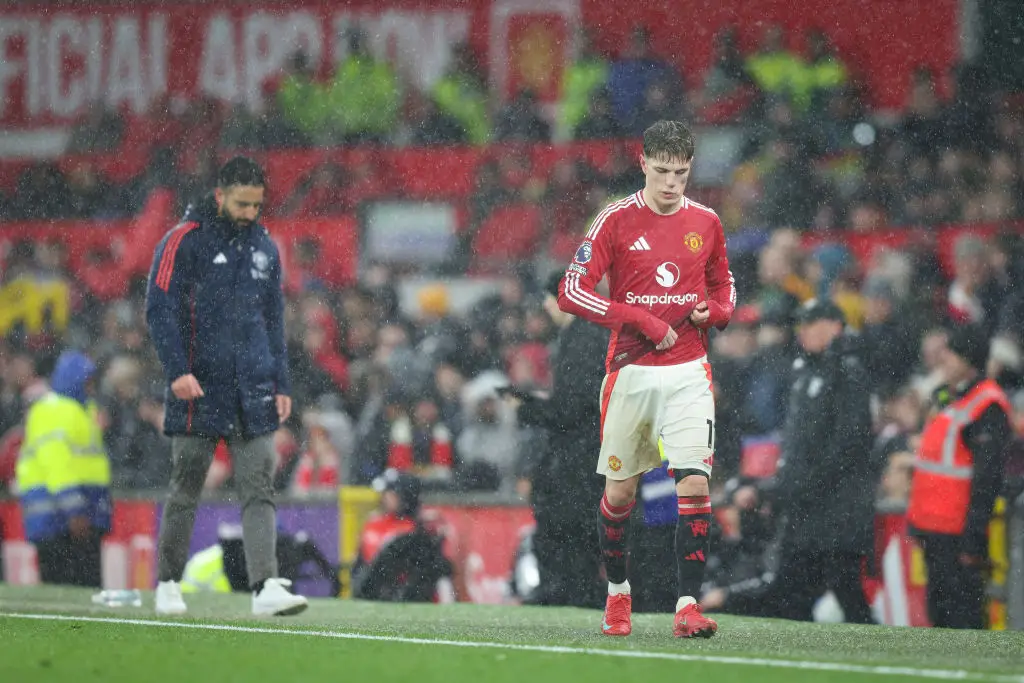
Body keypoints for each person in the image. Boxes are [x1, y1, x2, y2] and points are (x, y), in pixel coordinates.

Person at [557, 120, 736, 638]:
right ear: (643, 164)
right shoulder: (614, 219)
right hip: (631, 373)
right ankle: (618, 593)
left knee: (695, 483)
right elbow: (571, 291)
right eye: (662, 171)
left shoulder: (706, 221)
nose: (671, 183)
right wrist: (639, 319)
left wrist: (716, 312)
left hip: (688, 371)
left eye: (681, 172)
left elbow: (725, 284)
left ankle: (688, 607)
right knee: (620, 496)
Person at [145, 156, 307, 617]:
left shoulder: (265, 247)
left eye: (257, 205)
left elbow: (273, 319)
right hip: (199, 387)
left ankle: (265, 587)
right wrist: (177, 370)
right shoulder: (183, 240)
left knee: (259, 486)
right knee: (187, 486)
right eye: (241, 204)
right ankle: (168, 583)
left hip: (252, 388)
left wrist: (280, 381)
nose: (250, 213)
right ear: (220, 196)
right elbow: (159, 307)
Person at [708, 300, 878, 623]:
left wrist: (801, 485)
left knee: (841, 588)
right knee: (797, 590)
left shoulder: (848, 373)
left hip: (836, 507)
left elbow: (848, 444)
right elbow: (798, 446)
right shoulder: (805, 370)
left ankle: (874, 645)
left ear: (835, 326)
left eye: (811, 323)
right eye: (801, 324)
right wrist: (782, 487)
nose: (804, 331)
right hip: (807, 508)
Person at [503, 272, 608, 609]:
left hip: (579, 460)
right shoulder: (595, 333)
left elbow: (573, 409)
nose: (548, 307)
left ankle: (565, 598)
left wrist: (526, 408)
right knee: (580, 540)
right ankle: (574, 597)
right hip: (592, 456)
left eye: (550, 299)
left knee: (564, 535)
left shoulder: (581, 338)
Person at [907, 324, 1013, 629]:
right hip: (934, 529)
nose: (943, 359)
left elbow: (987, 481)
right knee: (939, 614)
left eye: (951, 354)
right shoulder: (950, 396)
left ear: (970, 360)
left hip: (957, 532)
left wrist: (973, 540)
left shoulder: (987, 406)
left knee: (963, 617)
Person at [16, 351, 110, 587]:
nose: (91, 388)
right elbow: (57, 466)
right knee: (69, 590)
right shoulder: (55, 410)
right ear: (75, 380)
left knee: (76, 591)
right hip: (59, 520)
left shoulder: (78, 410)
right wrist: (74, 511)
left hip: (69, 517)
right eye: (87, 382)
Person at [351, 469, 452, 602]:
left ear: (404, 496)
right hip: (374, 590)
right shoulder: (373, 523)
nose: (384, 498)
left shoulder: (418, 529)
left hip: (405, 593)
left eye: (390, 493)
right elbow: (362, 563)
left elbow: (434, 570)